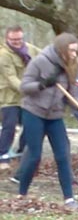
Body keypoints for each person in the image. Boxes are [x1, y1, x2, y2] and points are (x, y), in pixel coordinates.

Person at [14, 33, 78, 211]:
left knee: (63, 155)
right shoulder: (40, 61)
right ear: (62, 49)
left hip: (55, 115)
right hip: (34, 112)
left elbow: (72, 95)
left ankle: (69, 199)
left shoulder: (71, 66)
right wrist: (42, 84)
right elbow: (24, 87)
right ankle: (22, 194)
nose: (74, 54)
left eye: (76, 51)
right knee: (34, 155)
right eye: (71, 50)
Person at [0, 25, 41, 168]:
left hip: (27, 98)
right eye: (13, 40)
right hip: (9, 97)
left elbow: (44, 58)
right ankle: (2, 157)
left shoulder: (30, 49)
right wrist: (31, 89)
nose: (17, 42)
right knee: (9, 126)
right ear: (7, 39)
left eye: (19, 39)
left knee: (30, 125)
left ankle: (21, 153)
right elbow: (11, 78)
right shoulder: (4, 54)